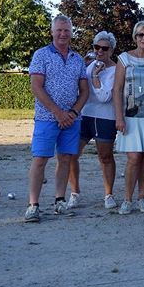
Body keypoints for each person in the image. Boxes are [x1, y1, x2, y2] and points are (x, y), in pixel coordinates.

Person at [24, 14, 89, 222]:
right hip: (46, 117)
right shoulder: (41, 55)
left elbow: (84, 91)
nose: (63, 34)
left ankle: (59, 201)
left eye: (67, 30)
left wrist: (73, 113)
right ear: (52, 31)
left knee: (66, 159)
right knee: (40, 159)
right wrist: (57, 112)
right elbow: (36, 86)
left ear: (71, 33)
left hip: (72, 120)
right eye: (59, 30)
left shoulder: (77, 59)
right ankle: (33, 205)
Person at [113, 20, 144, 215]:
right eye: (141, 35)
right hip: (131, 116)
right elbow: (117, 90)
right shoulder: (124, 59)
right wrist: (119, 117)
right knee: (134, 158)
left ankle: (142, 198)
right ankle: (127, 199)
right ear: (135, 37)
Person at [68, 31, 118, 210]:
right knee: (72, 154)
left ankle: (108, 194)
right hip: (84, 115)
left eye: (104, 48)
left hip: (105, 117)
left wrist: (96, 77)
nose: (100, 51)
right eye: (97, 47)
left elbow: (105, 96)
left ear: (111, 50)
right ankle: (74, 193)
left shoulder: (116, 70)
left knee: (105, 157)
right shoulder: (88, 66)